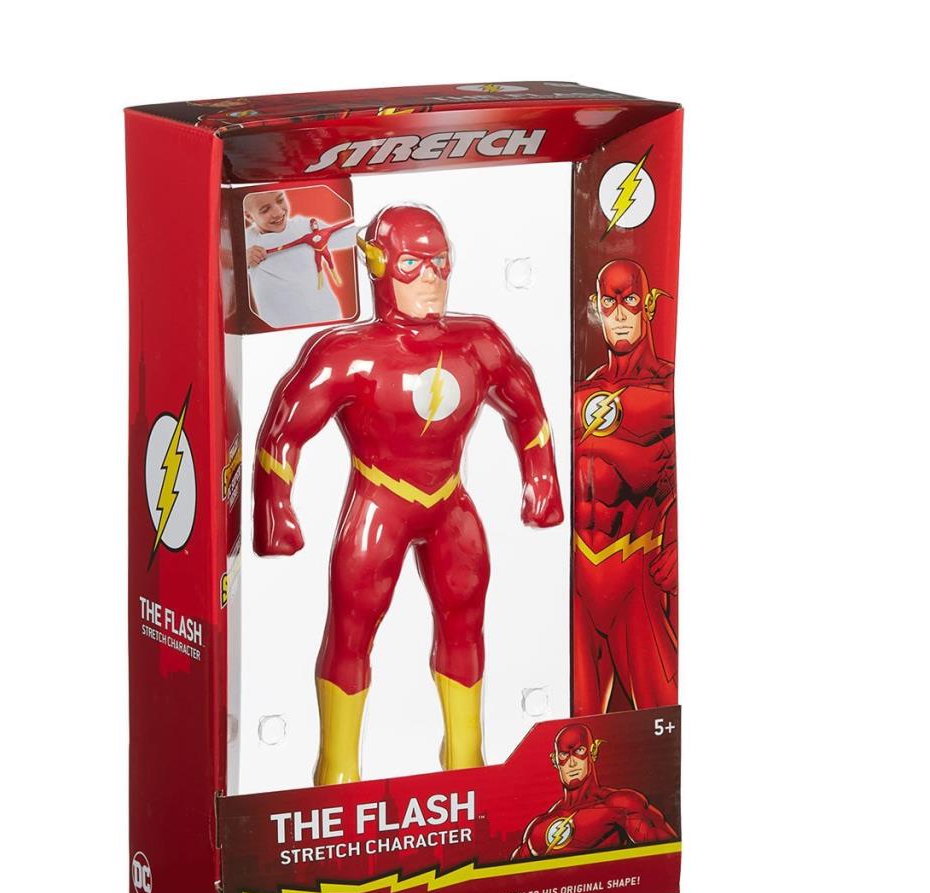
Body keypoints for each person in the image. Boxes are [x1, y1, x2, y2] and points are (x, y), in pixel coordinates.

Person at [253, 204, 563, 785]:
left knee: (465, 623)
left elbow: (527, 407)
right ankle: (338, 770)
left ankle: (466, 760)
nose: (431, 278)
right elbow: (286, 428)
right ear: (378, 266)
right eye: (412, 264)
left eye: (441, 262)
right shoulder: (348, 352)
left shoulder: (478, 340)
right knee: (351, 631)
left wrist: (541, 478)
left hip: (450, 503)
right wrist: (275, 507)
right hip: (380, 502)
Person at [572, 259, 677, 714]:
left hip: (634, 568)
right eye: (609, 303)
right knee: (577, 720)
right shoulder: (584, 388)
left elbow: (653, 472)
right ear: (596, 306)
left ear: (647, 306)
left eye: (629, 300)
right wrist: (622, 449)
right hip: (579, 577)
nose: (618, 315)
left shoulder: (670, 386)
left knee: (662, 715)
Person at [512, 723, 676, 859]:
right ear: (555, 760)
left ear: (593, 752)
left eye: (579, 751)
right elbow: (513, 879)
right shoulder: (538, 827)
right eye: (564, 755)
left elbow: (668, 857)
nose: (572, 763)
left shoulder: (620, 804)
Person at [244, 190, 355, 327]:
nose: (278, 212)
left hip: (327, 317)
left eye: (280, 200)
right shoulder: (245, 241)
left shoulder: (306, 226)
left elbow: (347, 237)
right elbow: (225, 275)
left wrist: (372, 228)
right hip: (280, 327)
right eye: (265, 210)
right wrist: (243, 259)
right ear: (249, 216)